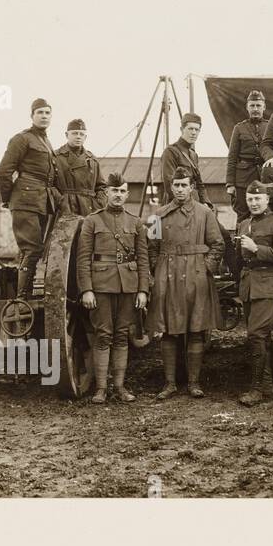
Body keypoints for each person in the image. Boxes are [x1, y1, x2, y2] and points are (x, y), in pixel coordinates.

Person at [147, 167, 228, 400]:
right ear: (171, 187)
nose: (180, 189)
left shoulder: (205, 213)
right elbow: (151, 248)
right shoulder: (157, 215)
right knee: (169, 332)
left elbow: (217, 244)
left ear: (192, 187)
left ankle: (194, 383)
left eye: (184, 185)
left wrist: (205, 268)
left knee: (195, 330)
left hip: (196, 275)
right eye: (176, 185)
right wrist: (159, 269)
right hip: (168, 275)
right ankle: (170, 383)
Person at [76, 171, 150, 403]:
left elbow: (143, 259)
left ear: (127, 194)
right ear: (106, 193)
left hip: (128, 287)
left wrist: (143, 290)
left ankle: (119, 387)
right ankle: (100, 389)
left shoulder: (136, 223)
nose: (117, 195)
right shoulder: (92, 221)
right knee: (103, 335)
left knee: (121, 336)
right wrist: (86, 289)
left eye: (121, 191)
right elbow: (83, 258)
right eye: (113, 191)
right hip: (100, 287)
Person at [235, 181, 273, 406]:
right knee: (261, 336)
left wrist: (257, 248)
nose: (254, 203)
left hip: (269, 284)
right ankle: (268, 386)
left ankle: (256, 389)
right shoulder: (244, 224)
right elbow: (240, 258)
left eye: (258, 199)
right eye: (250, 199)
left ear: (267, 199)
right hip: (250, 285)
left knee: (256, 335)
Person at [0, 97, 59, 297]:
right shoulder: (22, 139)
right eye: (40, 112)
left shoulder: (46, 141)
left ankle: (24, 293)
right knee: (32, 249)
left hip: (41, 200)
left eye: (48, 113)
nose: (44, 116)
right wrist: (9, 198)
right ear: (31, 116)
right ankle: (22, 298)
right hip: (26, 200)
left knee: (31, 250)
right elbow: (4, 172)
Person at [226, 90, 268, 220]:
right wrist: (230, 184)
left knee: (266, 215)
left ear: (264, 107)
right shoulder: (239, 128)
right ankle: (240, 240)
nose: (255, 109)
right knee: (243, 214)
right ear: (247, 107)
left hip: (264, 177)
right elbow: (232, 157)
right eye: (252, 106)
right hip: (243, 179)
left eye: (258, 105)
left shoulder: (270, 126)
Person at [54, 118, 106, 217]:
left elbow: (101, 186)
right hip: (64, 209)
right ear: (66, 135)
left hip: (89, 209)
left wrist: (99, 203)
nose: (78, 137)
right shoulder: (56, 157)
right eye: (74, 133)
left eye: (81, 134)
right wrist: (61, 202)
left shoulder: (92, 160)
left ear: (85, 137)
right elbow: (50, 185)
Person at [160, 112, 206, 205]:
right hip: (176, 206)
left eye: (197, 130)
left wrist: (206, 203)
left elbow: (199, 184)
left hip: (194, 204)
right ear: (182, 129)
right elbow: (170, 186)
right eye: (190, 129)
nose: (193, 133)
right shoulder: (170, 152)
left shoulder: (193, 155)